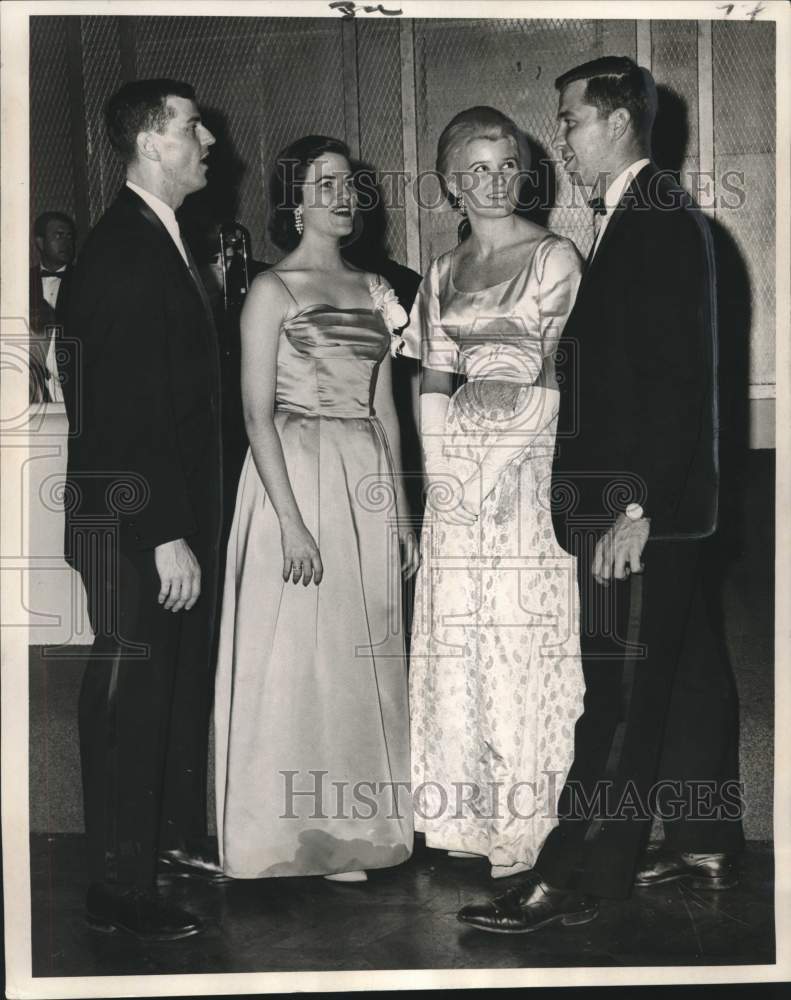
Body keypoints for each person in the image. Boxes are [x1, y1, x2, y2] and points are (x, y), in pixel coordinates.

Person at [458, 57, 742, 935]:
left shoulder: (652, 221)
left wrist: (632, 509)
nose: (563, 142)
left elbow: (673, 381)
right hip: (664, 508)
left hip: (639, 511)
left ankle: (575, 874)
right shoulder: (649, 218)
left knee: (615, 695)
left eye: (571, 121)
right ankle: (706, 837)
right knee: (688, 670)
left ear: (617, 121)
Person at [213, 135, 419, 882]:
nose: (342, 197)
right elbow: (256, 415)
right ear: (293, 199)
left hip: (362, 474)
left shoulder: (376, 288)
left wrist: (401, 517)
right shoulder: (271, 289)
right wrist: (292, 521)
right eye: (324, 184)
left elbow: (387, 412)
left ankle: (349, 833)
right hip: (290, 479)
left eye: (349, 184)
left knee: (354, 655)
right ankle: (285, 836)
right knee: (296, 658)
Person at [401, 107, 585, 879]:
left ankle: (527, 826)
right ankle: (464, 819)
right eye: (475, 168)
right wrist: (444, 476)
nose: (493, 180)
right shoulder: (442, 271)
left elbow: (550, 370)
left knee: (515, 630)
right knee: (459, 630)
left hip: (529, 457)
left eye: (505, 164)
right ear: (449, 183)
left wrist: (488, 471)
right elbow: (433, 374)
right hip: (459, 463)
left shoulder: (554, 256)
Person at [62, 78, 225, 941]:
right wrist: (163, 531)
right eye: (192, 129)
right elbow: (126, 410)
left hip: (136, 518)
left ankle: (146, 857)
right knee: (127, 697)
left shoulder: (149, 237)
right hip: (132, 522)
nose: (208, 143)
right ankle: (117, 890)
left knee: (148, 690)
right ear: (152, 144)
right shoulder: (128, 250)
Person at [29, 210, 75, 403]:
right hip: (31, 387)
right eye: (58, 235)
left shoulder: (84, 280)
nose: (66, 242)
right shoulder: (21, 281)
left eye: (69, 236)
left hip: (71, 386)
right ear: (39, 243)